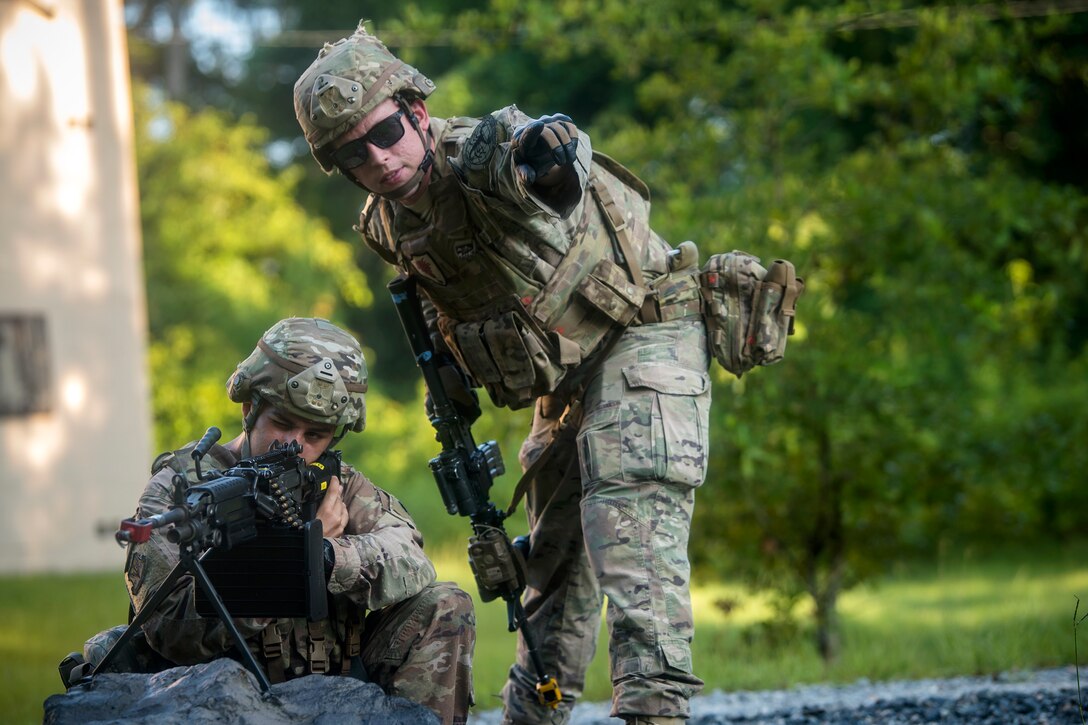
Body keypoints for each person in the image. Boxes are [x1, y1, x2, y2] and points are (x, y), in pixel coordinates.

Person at [292, 24, 712, 725]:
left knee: (628, 528)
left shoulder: (484, 157)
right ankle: (533, 715)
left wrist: (545, 156)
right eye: (353, 152)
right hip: (567, 379)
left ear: (417, 113)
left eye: (388, 131)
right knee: (550, 569)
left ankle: (654, 712)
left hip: (643, 333)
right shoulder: (387, 224)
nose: (379, 157)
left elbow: (547, 159)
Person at [89, 317, 475, 725]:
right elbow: (172, 629)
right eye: (283, 424)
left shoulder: (333, 483)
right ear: (249, 407)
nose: (295, 446)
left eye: (316, 435)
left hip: (330, 685)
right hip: (212, 694)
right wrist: (294, 561)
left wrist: (328, 555)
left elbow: (410, 555)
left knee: (446, 604)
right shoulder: (184, 489)